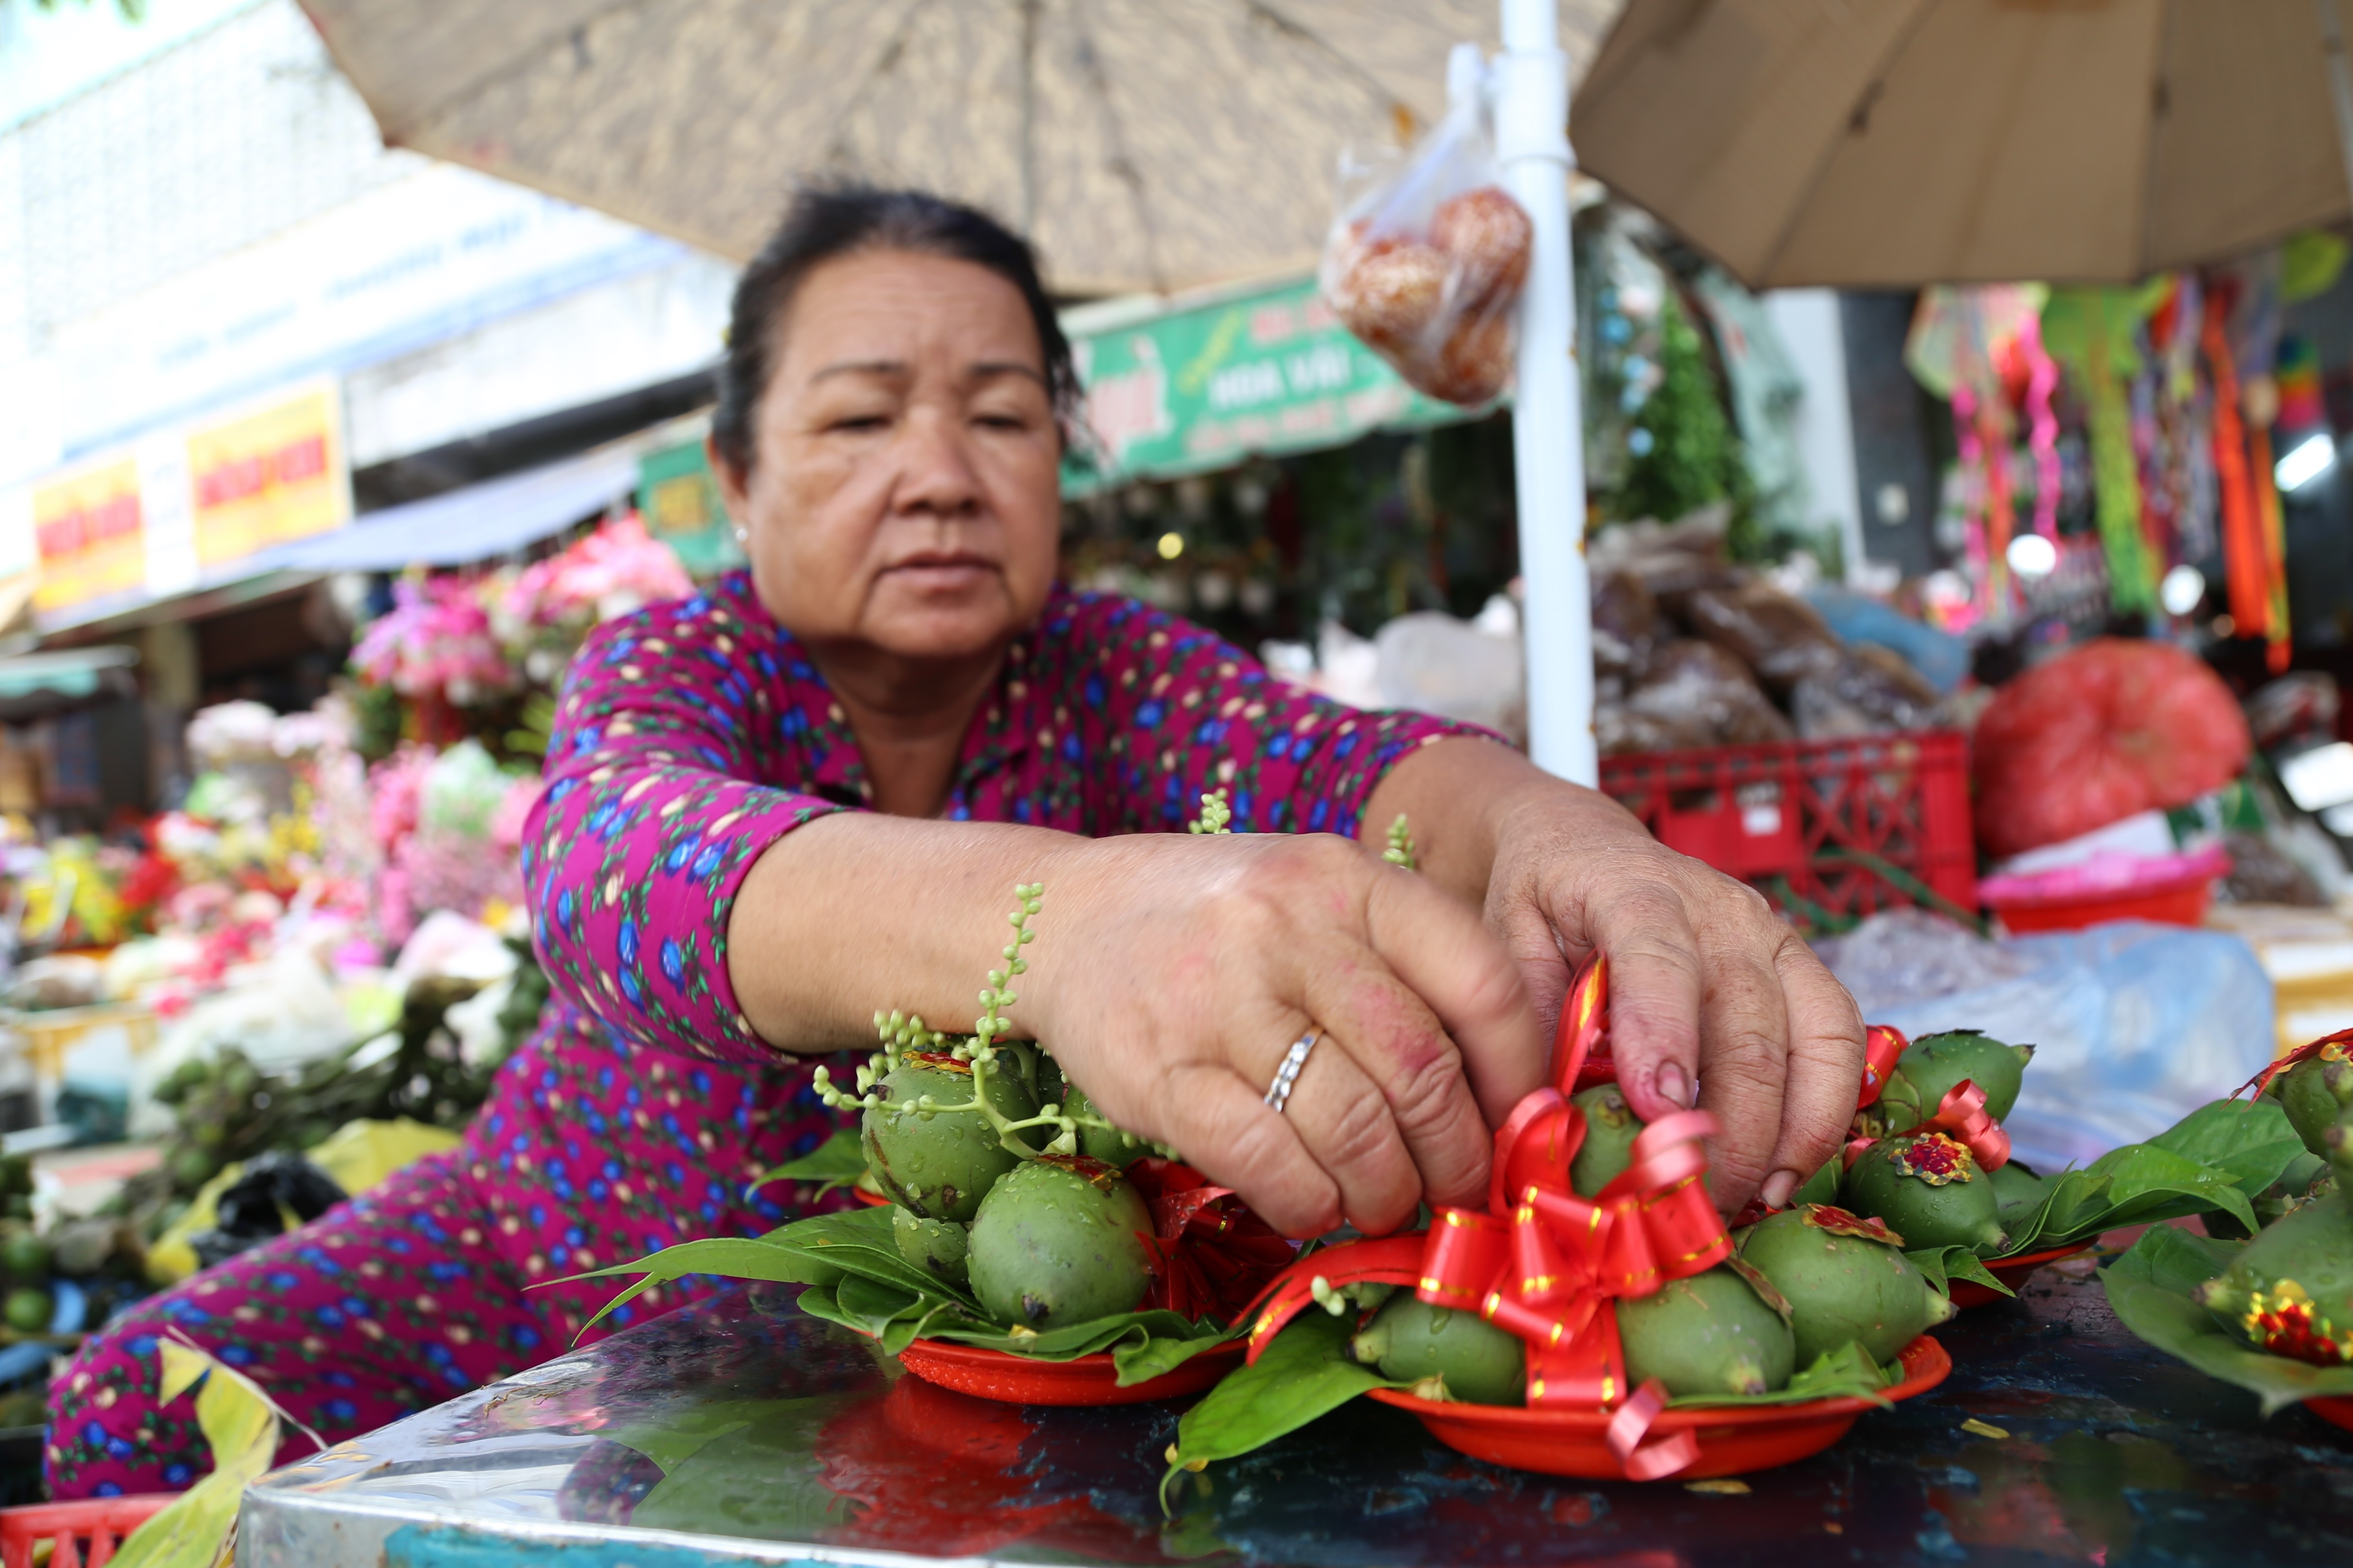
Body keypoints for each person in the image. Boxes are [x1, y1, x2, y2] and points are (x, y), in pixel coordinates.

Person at [47, 186, 1863, 1498]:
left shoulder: (1112, 676)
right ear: (740, 479)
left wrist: (1560, 830)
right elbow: (613, 866)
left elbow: (1366, 768)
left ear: (1063, 464)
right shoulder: (685, 661)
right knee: (134, 1397)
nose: (939, 468)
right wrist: (1066, 920)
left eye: (1001, 414)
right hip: (558, 1254)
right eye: (856, 417)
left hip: (993, 1342)